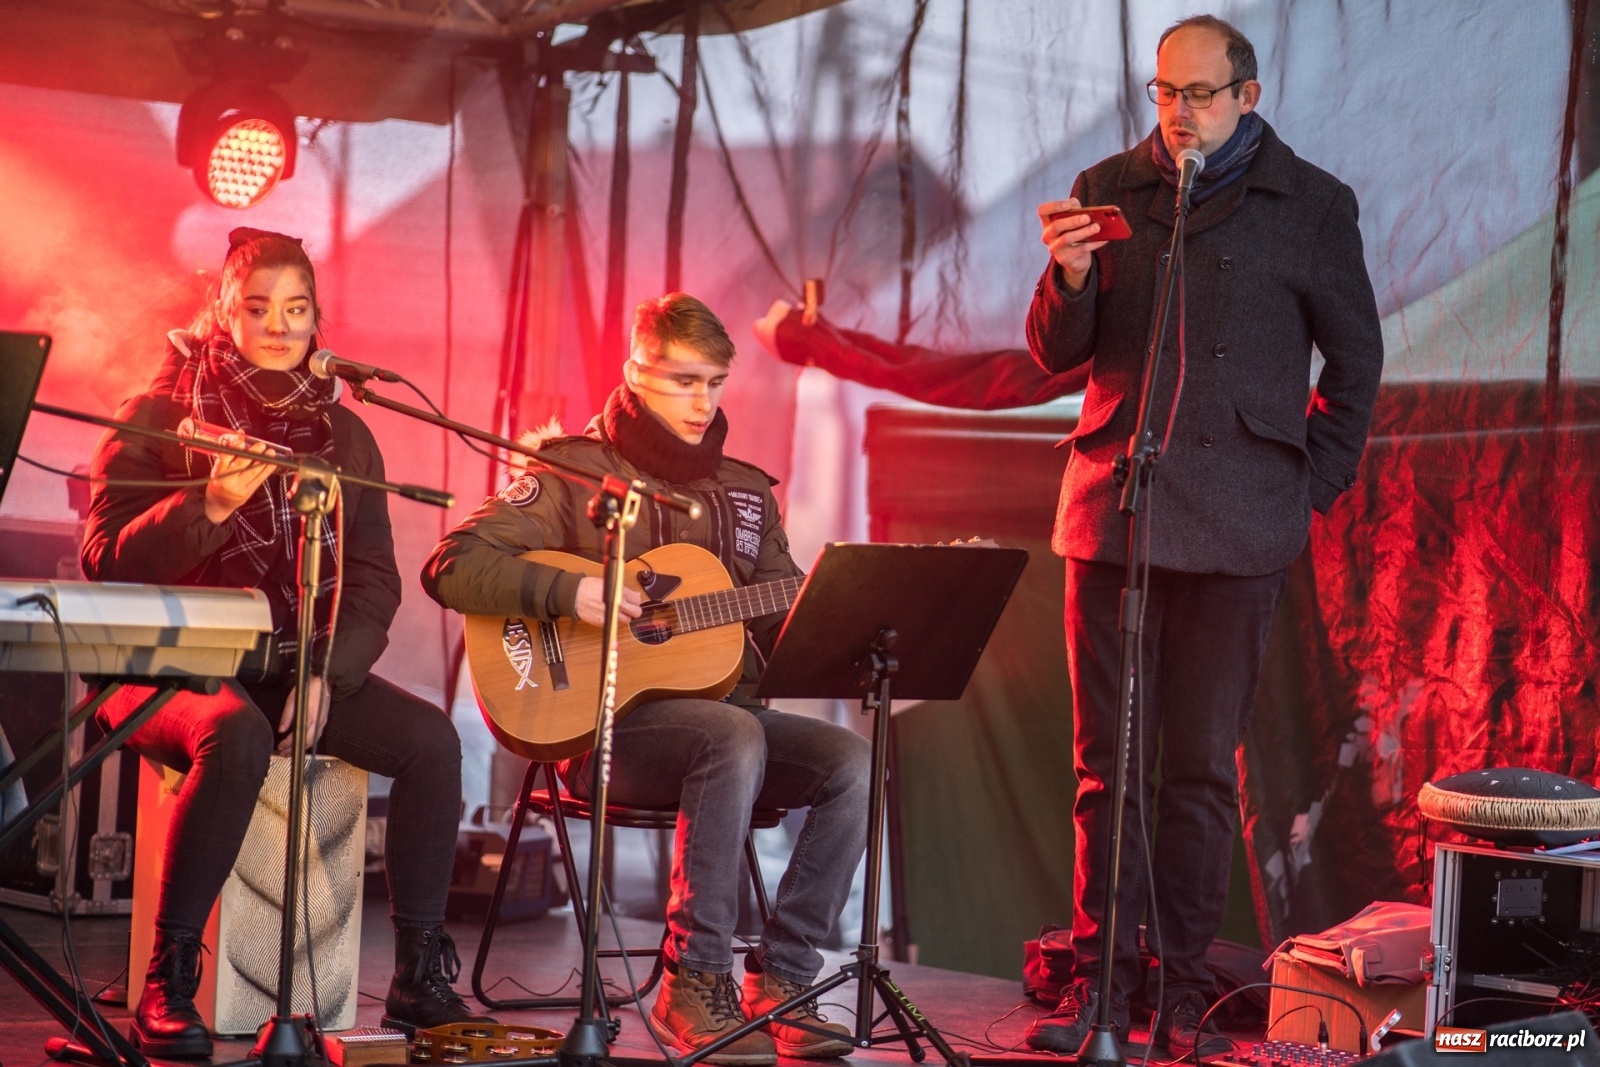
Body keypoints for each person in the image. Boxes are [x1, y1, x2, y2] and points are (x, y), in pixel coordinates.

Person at [1022, 15, 1383, 1056]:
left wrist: (1303, 488)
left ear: (1249, 96)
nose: (1179, 114)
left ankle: (1183, 988)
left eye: (1200, 94)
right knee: (1105, 767)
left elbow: (1354, 368)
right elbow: (1054, 353)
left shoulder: (1312, 205)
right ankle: (1100, 986)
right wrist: (1073, 279)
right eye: (1164, 93)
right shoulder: (1108, 184)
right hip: (1110, 511)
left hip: (1238, 525)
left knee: (1196, 772)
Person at [423, 293, 870, 1066]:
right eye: (684, 381)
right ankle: (691, 977)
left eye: (715, 383)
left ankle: (786, 977)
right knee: (730, 735)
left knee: (852, 763)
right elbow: (452, 562)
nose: (703, 402)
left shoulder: (745, 494)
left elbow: (783, 616)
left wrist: (848, 616)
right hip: (596, 730)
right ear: (636, 369)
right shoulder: (571, 470)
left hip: (728, 730)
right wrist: (572, 592)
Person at [81, 228, 491, 1056]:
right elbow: (106, 559)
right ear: (222, 313)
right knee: (233, 730)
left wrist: (328, 674)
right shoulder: (159, 415)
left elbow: (376, 581)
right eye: (258, 307)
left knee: (431, 740)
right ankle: (169, 979)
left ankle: (417, 972)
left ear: (317, 321)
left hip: (294, 667)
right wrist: (212, 505)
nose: (277, 324)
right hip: (167, 667)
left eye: (295, 308)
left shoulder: (345, 436)